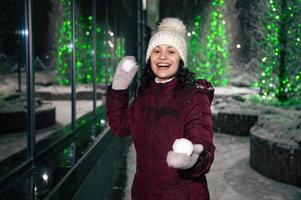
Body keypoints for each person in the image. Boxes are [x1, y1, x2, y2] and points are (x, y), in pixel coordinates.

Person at [106, 17, 215, 200]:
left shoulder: (194, 97)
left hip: (182, 195)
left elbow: (203, 145)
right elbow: (120, 126)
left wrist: (191, 158)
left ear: (181, 59)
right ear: (150, 58)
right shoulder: (145, 95)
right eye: (156, 51)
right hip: (143, 193)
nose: (162, 56)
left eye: (171, 51)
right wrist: (119, 87)